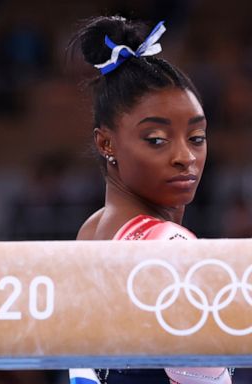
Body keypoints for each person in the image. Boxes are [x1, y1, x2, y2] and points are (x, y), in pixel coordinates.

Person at [67, 16, 232, 384]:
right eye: (157, 139)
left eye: (196, 137)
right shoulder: (171, 249)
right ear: (106, 143)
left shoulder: (92, 230)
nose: (184, 156)